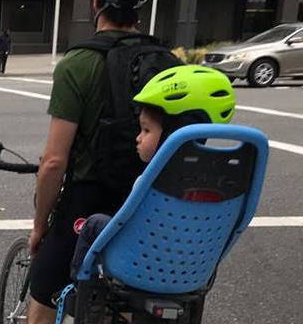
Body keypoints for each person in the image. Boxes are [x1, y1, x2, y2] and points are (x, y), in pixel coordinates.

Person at [27, 0, 164, 324]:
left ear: (95, 0)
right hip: (145, 206)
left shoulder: (79, 63)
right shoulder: (167, 63)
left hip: (88, 204)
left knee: (44, 287)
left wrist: (40, 227)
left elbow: (55, 161)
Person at [69, 65, 236, 281]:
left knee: (94, 223)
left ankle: (78, 286)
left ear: (171, 135)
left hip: (139, 263)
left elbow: (127, 224)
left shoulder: (152, 181)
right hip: (192, 271)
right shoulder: (221, 181)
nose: (138, 137)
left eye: (146, 130)